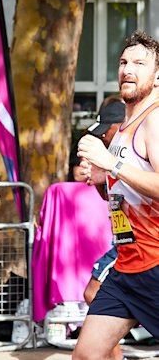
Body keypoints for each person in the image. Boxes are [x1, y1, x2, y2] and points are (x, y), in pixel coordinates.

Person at [75, 31, 159, 360]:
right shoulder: (124, 125)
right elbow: (126, 193)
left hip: (155, 264)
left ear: (157, 76)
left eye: (140, 63)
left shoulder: (154, 122)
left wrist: (112, 163)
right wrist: (101, 177)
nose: (128, 69)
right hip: (126, 267)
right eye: (124, 62)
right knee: (88, 354)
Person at [80, 100, 125, 360]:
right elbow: (111, 198)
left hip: (135, 243)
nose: (103, 135)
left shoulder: (127, 152)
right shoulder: (111, 154)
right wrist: (96, 175)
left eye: (106, 129)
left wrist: (106, 170)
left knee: (92, 293)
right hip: (123, 241)